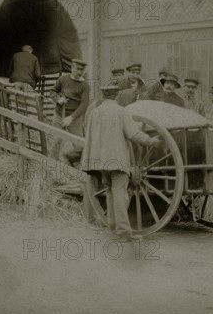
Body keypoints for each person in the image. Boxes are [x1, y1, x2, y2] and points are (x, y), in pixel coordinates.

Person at [81, 84, 161, 241]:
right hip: (117, 159)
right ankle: (124, 232)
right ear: (117, 95)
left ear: (103, 95)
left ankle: (113, 228)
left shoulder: (95, 112)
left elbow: (89, 134)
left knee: (110, 191)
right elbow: (132, 133)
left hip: (100, 161)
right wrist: (150, 141)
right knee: (119, 192)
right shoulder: (121, 111)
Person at [50, 59, 90, 166]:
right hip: (59, 115)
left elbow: (84, 105)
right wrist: (58, 99)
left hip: (75, 118)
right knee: (56, 141)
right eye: (77, 69)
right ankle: (52, 165)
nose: (79, 72)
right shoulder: (63, 79)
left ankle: (76, 164)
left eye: (82, 70)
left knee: (80, 145)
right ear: (72, 68)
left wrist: (71, 117)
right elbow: (53, 91)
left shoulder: (85, 85)